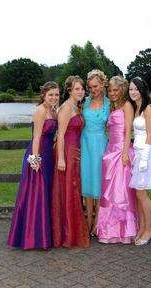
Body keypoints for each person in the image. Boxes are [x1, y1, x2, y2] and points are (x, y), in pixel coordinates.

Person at [8, 81, 59, 249]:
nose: (54, 97)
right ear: (43, 95)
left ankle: (44, 234)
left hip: (49, 156)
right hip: (38, 156)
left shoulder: (53, 111)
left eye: (56, 94)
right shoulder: (40, 111)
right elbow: (36, 137)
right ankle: (32, 237)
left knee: (46, 194)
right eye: (50, 94)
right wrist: (35, 160)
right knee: (36, 194)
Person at [97, 76, 138, 244]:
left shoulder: (127, 105)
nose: (112, 93)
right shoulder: (113, 106)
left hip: (122, 151)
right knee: (109, 192)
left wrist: (124, 153)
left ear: (122, 89)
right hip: (110, 151)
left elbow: (128, 130)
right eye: (110, 91)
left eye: (116, 90)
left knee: (122, 192)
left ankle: (124, 231)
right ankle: (108, 230)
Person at [51, 75, 89, 248]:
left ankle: (71, 231)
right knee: (69, 191)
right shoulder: (66, 107)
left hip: (75, 153)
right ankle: (67, 234)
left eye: (81, 88)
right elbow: (60, 135)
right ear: (69, 90)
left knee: (73, 190)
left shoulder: (77, 106)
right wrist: (60, 158)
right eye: (76, 89)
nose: (80, 91)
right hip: (66, 153)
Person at [128, 76, 151, 246]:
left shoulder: (149, 109)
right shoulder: (136, 108)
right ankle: (143, 227)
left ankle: (149, 229)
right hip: (137, 153)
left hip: (146, 154)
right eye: (130, 89)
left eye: (136, 89)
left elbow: (150, 135)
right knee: (138, 194)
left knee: (142, 194)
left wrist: (143, 159)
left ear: (143, 90)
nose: (133, 92)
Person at [81, 69, 110, 236]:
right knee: (87, 182)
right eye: (91, 87)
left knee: (99, 183)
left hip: (101, 145)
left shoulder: (109, 103)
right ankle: (88, 221)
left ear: (103, 84)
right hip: (85, 144)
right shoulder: (83, 102)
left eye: (96, 86)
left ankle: (97, 223)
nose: (93, 90)